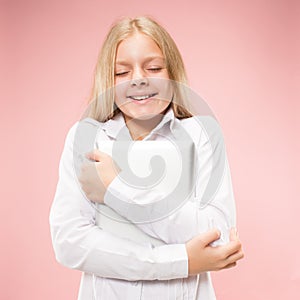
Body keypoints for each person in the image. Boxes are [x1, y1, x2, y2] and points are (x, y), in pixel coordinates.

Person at [49, 16, 244, 300]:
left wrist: (117, 189)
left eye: (153, 67)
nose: (139, 78)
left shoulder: (201, 134)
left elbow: (219, 238)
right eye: (121, 72)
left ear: (172, 73)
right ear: (108, 79)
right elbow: (70, 243)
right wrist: (182, 260)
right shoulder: (87, 138)